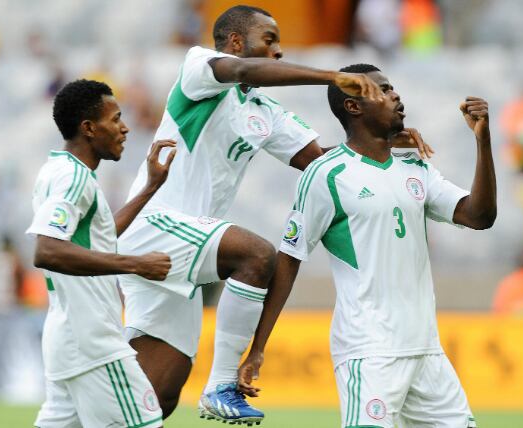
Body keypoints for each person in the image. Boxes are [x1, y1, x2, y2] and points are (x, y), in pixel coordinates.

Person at [117, 5, 432, 424]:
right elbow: (245, 72)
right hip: (154, 224)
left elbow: (321, 162)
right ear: (235, 42)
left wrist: (384, 143)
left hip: (187, 248)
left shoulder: (265, 113)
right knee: (257, 256)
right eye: (269, 40)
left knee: (156, 397)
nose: (279, 51)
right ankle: (222, 384)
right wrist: (331, 77)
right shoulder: (198, 70)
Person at [238, 64, 497, 428]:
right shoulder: (326, 174)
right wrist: (258, 348)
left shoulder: (414, 167)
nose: (396, 95)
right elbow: (289, 260)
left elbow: (480, 216)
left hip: (426, 353)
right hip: (369, 352)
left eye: (393, 87)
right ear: (354, 107)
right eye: (383, 89)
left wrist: (482, 141)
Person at [27, 79, 177, 428]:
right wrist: (136, 264)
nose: (124, 128)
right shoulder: (74, 178)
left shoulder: (57, 170)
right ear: (89, 128)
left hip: (70, 339)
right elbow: (47, 250)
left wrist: (150, 188)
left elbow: (99, 239)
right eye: (115, 119)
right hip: (94, 342)